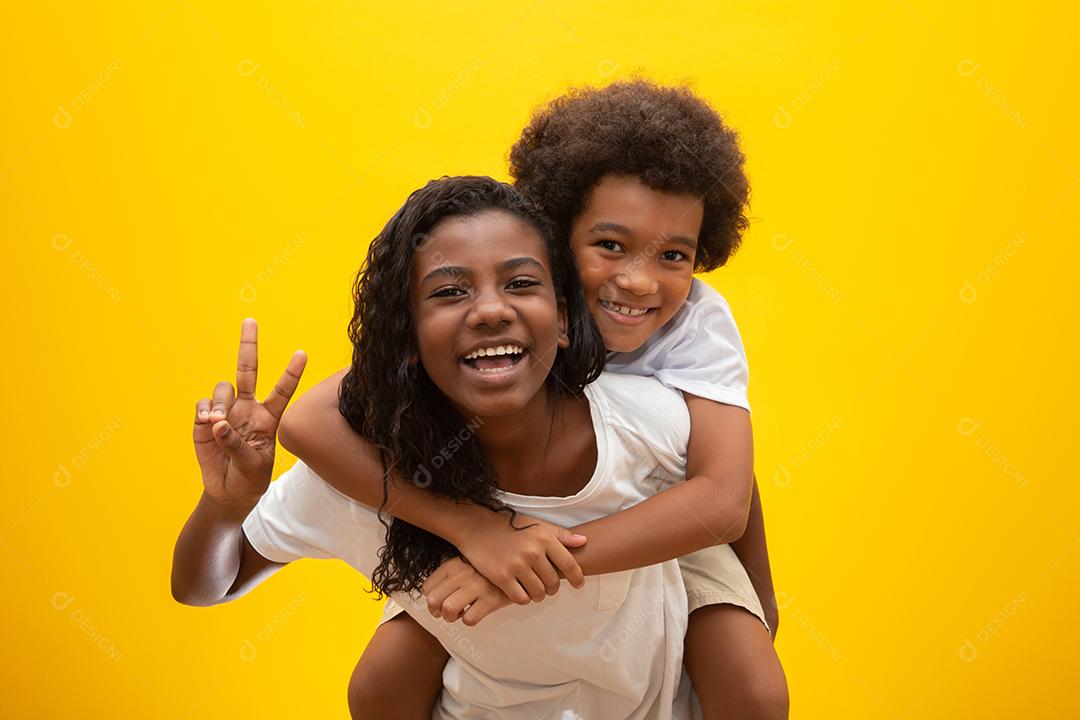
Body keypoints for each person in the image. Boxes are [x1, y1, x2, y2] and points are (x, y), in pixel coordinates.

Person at [281, 81, 787, 719]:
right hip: (503, 513)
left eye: (673, 255)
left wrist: (759, 595)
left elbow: (725, 493)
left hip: (664, 523)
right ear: (554, 231)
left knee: (756, 693)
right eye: (610, 245)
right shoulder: (512, 302)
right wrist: (476, 531)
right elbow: (306, 421)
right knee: (379, 685)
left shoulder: (698, 324)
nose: (638, 279)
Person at [172, 176, 728, 718]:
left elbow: (727, 494)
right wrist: (225, 506)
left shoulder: (645, 425)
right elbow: (204, 587)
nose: (489, 310)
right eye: (449, 292)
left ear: (563, 318)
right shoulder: (368, 476)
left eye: (520, 283)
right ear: (407, 339)